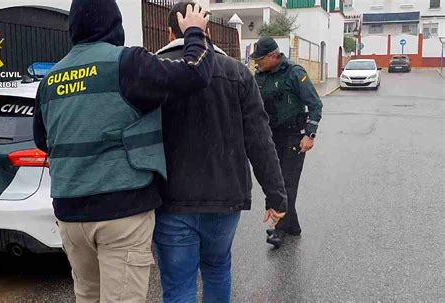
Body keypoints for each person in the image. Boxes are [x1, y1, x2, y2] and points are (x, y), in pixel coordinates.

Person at [32, 0, 214, 302]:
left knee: (88, 296)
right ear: (114, 24)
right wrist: (195, 31)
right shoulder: (128, 64)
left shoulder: (51, 79)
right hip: (122, 212)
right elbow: (195, 74)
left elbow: (42, 140)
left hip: (69, 215)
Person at [153, 3, 288, 302]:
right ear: (208, 32)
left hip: (171, 200)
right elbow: (260, 139)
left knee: (178, 284)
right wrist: (276, 195)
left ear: (168, 32)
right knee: (216, 269)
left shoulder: (154, 70)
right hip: (225, 199)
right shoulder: (238, 74)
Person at [251, 36, 323, 248]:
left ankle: (280, 228)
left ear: (274, 56)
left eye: (261, 59)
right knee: (275, 180)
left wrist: (310, 135)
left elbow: (315, 105)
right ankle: (292, 225)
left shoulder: (294, 73)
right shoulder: (260, 76)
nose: (257, 63)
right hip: (271, 136)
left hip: (293, 136)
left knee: (286, 182)